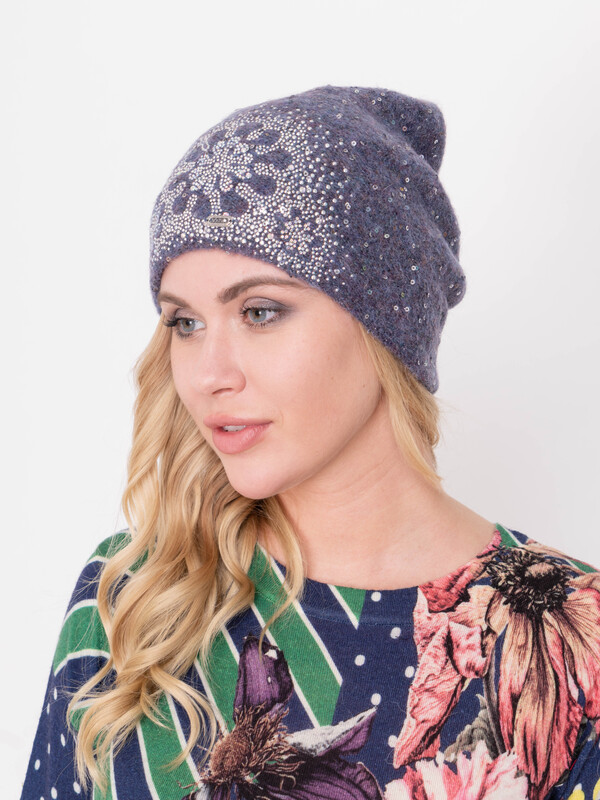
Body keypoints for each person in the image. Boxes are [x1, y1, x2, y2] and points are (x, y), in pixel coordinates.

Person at [20, 84, 600, 800]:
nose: (208, 375)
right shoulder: (133, 602)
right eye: (185, 323)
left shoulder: (575, 640)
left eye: (260, 311)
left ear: (384, 324)